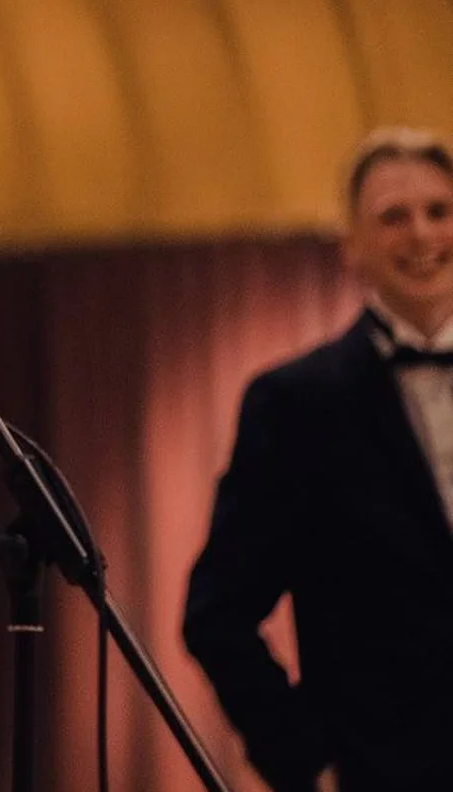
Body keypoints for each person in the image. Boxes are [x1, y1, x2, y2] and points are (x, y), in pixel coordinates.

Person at [184, 127, 453, 792]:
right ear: (351, 246)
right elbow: (217, 614)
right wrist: (306, 765)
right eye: (393, 217)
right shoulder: (296, 404)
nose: (421, 234)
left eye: (439, 211)